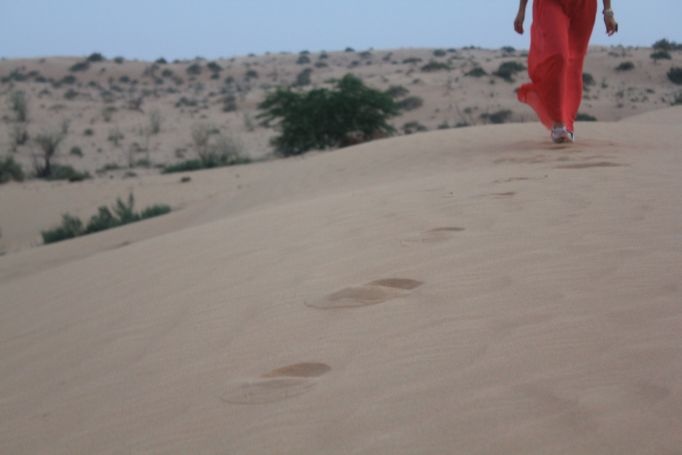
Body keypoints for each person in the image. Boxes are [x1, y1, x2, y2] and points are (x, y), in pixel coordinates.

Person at [514, 0, 619, 143]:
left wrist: (608, 11)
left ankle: (566, 125)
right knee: (558, 55)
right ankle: (558, 122)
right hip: (550, 3)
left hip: (583, 6)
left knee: (574, 63)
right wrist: (521, 10)